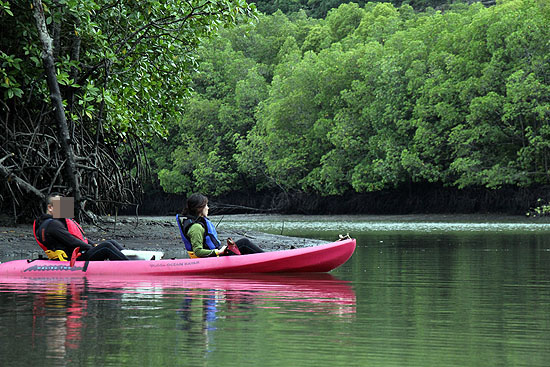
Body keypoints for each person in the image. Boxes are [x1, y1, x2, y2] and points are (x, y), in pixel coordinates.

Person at [33, 194, 129, 261]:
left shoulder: (53, 222)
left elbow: (79, 239)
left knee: (110, 242)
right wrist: (91, 247)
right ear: (50, 208)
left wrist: (94, 245)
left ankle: (133, 257)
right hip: (72, 259)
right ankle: (131, 265)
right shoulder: (53, 225)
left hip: (76, 254)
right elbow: (72, 242)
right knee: (106, 247)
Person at [182, 193, 263, 258]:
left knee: (242, 246)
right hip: (212, 259)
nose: (208, 208)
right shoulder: (196, 227)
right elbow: (198, 252)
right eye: (206, 205)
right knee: (244, 243)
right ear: (199, 208)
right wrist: (219, 252)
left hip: (215, 255)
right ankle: (268, 257)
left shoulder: (198, 223)